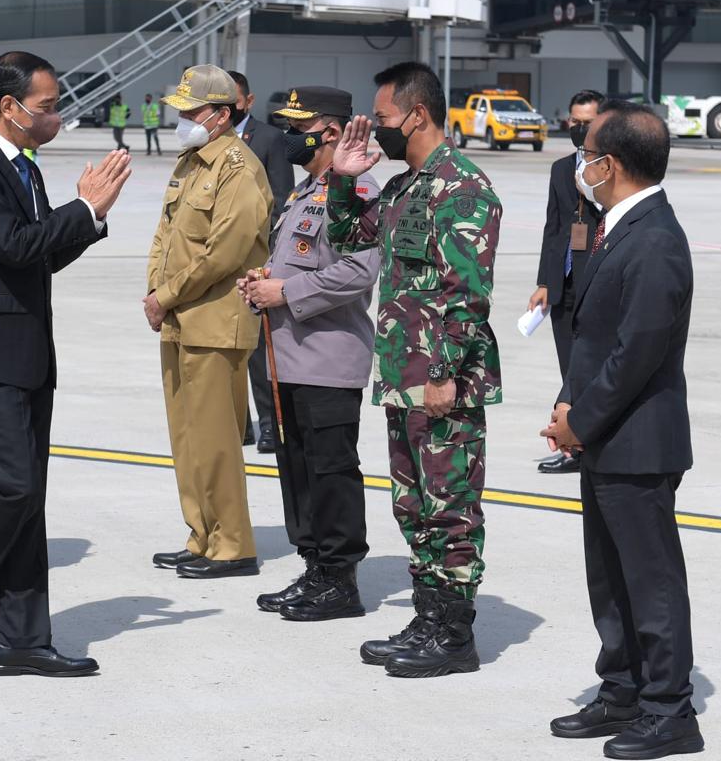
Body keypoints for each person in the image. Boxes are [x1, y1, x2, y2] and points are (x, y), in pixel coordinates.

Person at [0, 51, 131, 676]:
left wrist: (89, 219)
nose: (57, 117)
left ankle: (22, 639)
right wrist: (84, 210)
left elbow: (39, 257)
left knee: (30, 498)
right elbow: (13, 246)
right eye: (47, 107)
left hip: (29, 354)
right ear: (9, 108)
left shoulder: (24, 167)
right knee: (12, 486)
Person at [329, 62, 502, 678]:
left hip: (441, 381)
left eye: (383, 120)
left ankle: (454, 635)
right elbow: (350, 237)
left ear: (418, 115)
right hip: (405, 376)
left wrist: (445, 372)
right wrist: (345, 181)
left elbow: (467, 292)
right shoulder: (406, 187)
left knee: (450, 504)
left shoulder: (463, 189)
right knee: (413, 504)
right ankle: (429, 615)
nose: (376, 131)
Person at [542, 101, 703, 760]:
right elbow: (596, 339)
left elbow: (637, 352)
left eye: (586, 153)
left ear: (610, 164)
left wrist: (579, 418)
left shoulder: (655, 239)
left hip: (638, 440)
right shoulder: (618, 226)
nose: (579, 165)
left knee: (650, 581)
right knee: (609, 575)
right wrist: (569, 410)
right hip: (607, 435)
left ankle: (671, 711)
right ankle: (624, 689)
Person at [239, 86, 380, 621]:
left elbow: (359, 271)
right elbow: (300, 262)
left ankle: (341, 579)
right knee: (298, 468)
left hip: (327, 356)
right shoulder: (305, 192)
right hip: (289, 356)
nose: (289, 137)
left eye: (299, 127)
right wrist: (263, 281)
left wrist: (286, 293)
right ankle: (316, 567)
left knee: (331, 471)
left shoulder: (356, 191)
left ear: (331, 131)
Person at [145, 64, 272, 579]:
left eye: (191, 111)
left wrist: (166, 295)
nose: (182, 119)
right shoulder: (190, 163)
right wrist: (156, 291)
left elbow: (225, 253)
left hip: (216, 321)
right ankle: (202, 534)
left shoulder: (239, 168)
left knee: (218, 438)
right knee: (187, 437)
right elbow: (165, 234)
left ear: (221, 115)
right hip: (180, 319)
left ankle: (233, 543)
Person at [528, 89, 604, 475]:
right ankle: (575, 444)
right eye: (574, 121)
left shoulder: (610, 169)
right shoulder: (560, 169)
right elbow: (553, 227)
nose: (579, 128)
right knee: (569, 368)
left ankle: (584, 445)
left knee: (590, 367)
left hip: (598, 282)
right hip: (564, 283)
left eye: (587, 122)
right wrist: (544, 280)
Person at [228, 70, 295, 454]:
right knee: (227, 346)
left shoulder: (269, 139)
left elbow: (282, 198)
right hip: (220, 262)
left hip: (256, 259)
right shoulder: (208, 140)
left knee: (257, 349)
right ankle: (241, 423)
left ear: (248, 102)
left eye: (234, 99)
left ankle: (268, 421)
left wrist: (268, 259)